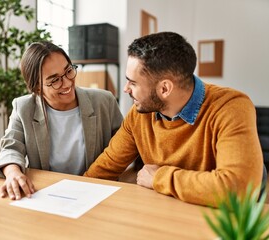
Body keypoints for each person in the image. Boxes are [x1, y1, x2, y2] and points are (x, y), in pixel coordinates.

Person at [84, 32, 266, 207]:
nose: (125, 89)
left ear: (164, 89)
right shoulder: (139, 114)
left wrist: (159, 178)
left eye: (133, 82)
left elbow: (238, 188)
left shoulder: (231, 107)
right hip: (168, 211)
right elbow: (104, 168)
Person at [0, 41, 123, 200]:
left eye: (68, 71)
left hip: (96, 192)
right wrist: (13, 173)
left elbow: (124, 148)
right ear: (37, 88)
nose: (67, 83)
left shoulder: (104, 101)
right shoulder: (24, 107)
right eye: (54, 80)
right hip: (47, 193)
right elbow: (11, 148)